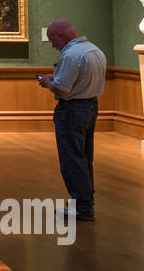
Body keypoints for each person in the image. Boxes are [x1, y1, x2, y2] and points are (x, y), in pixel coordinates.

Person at [37, 19, 106, 222]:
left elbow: (63, 90)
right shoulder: (94, 50)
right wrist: (57, 77)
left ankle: (82, 206)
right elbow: (78, 79)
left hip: (72, 110)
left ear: (61, 36)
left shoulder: (70, 55)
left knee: (71, 160)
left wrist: (49, 83)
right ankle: (85, 202)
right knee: (84, 158)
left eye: (52, 40)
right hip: (90, 106)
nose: (52, 45)